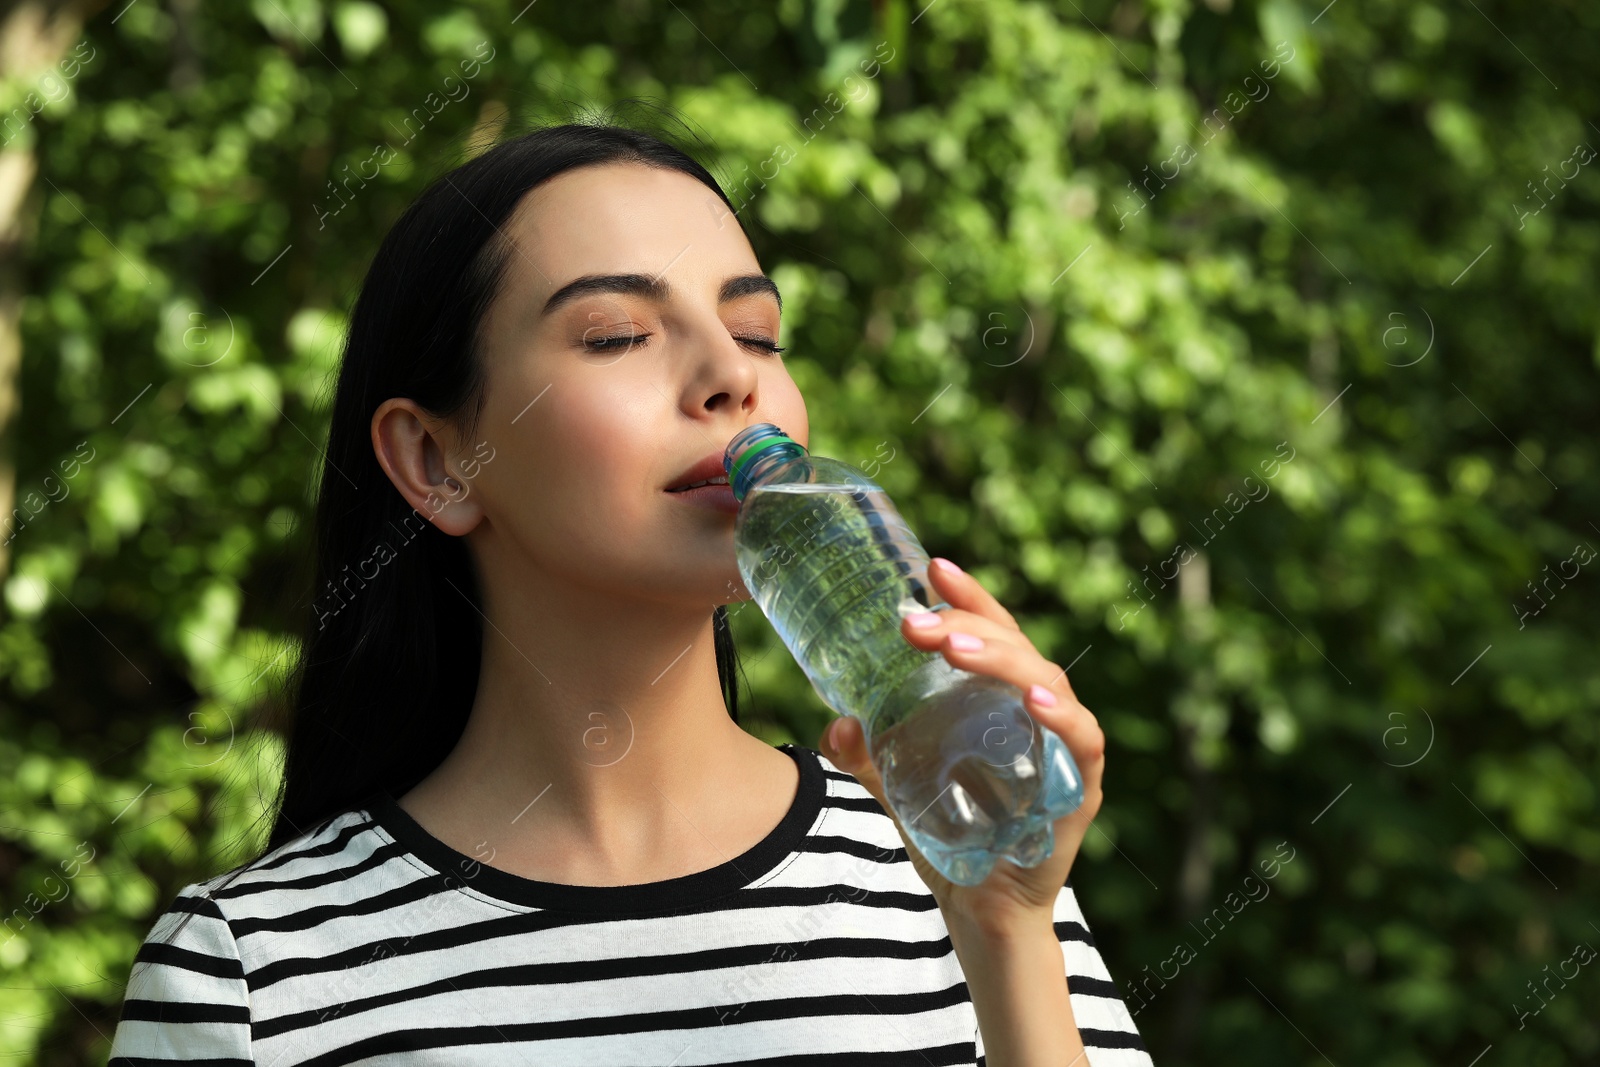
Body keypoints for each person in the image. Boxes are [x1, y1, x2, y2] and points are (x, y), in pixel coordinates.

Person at [108, 115, 1153, 1066]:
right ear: (435, 461)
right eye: (615, 334)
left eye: (757, 334)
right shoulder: (252, 973)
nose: (731, 378)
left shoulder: (972, 864)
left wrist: (1007, 934)